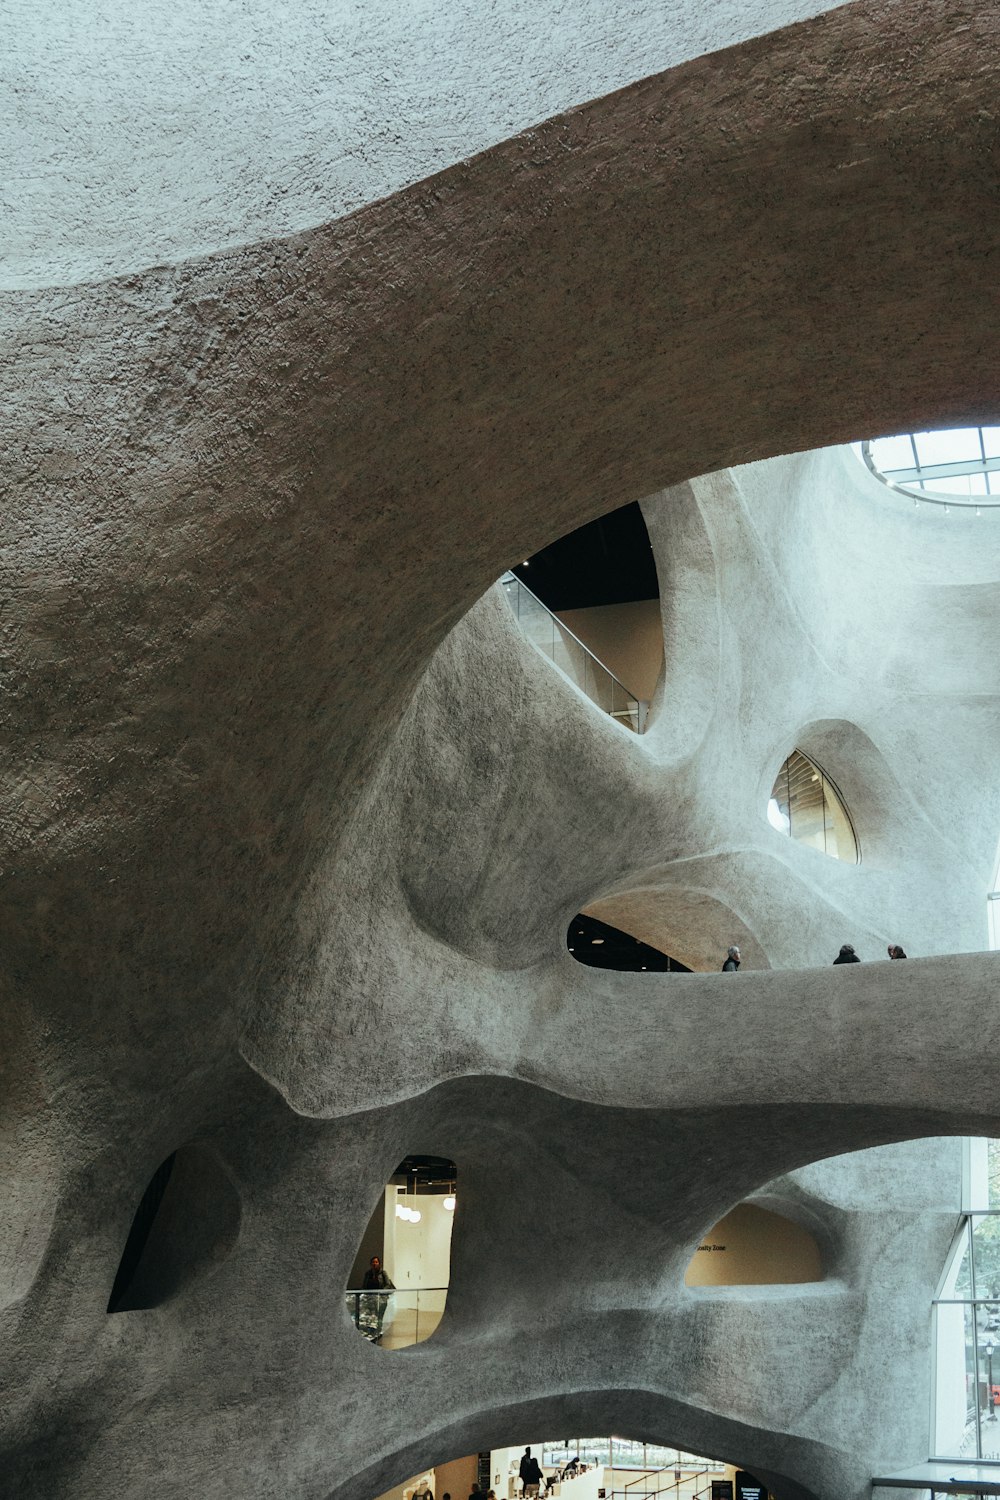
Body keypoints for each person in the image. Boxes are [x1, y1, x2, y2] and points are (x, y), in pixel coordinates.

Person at [361, 1254, 394, 1342]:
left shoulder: (383, 1273)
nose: (375, 1264)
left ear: (379, 1263)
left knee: (379, 1316)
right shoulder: (368, 1274)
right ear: (371, 1264)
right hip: (370, 1299)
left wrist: (381, 1292)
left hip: (381, 1299)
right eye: (373, 1262)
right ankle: (372, 1332)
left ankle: (378, 1332)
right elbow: (364, 1285)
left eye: (376, 1262)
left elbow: (388, 1285)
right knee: (372, 1316)